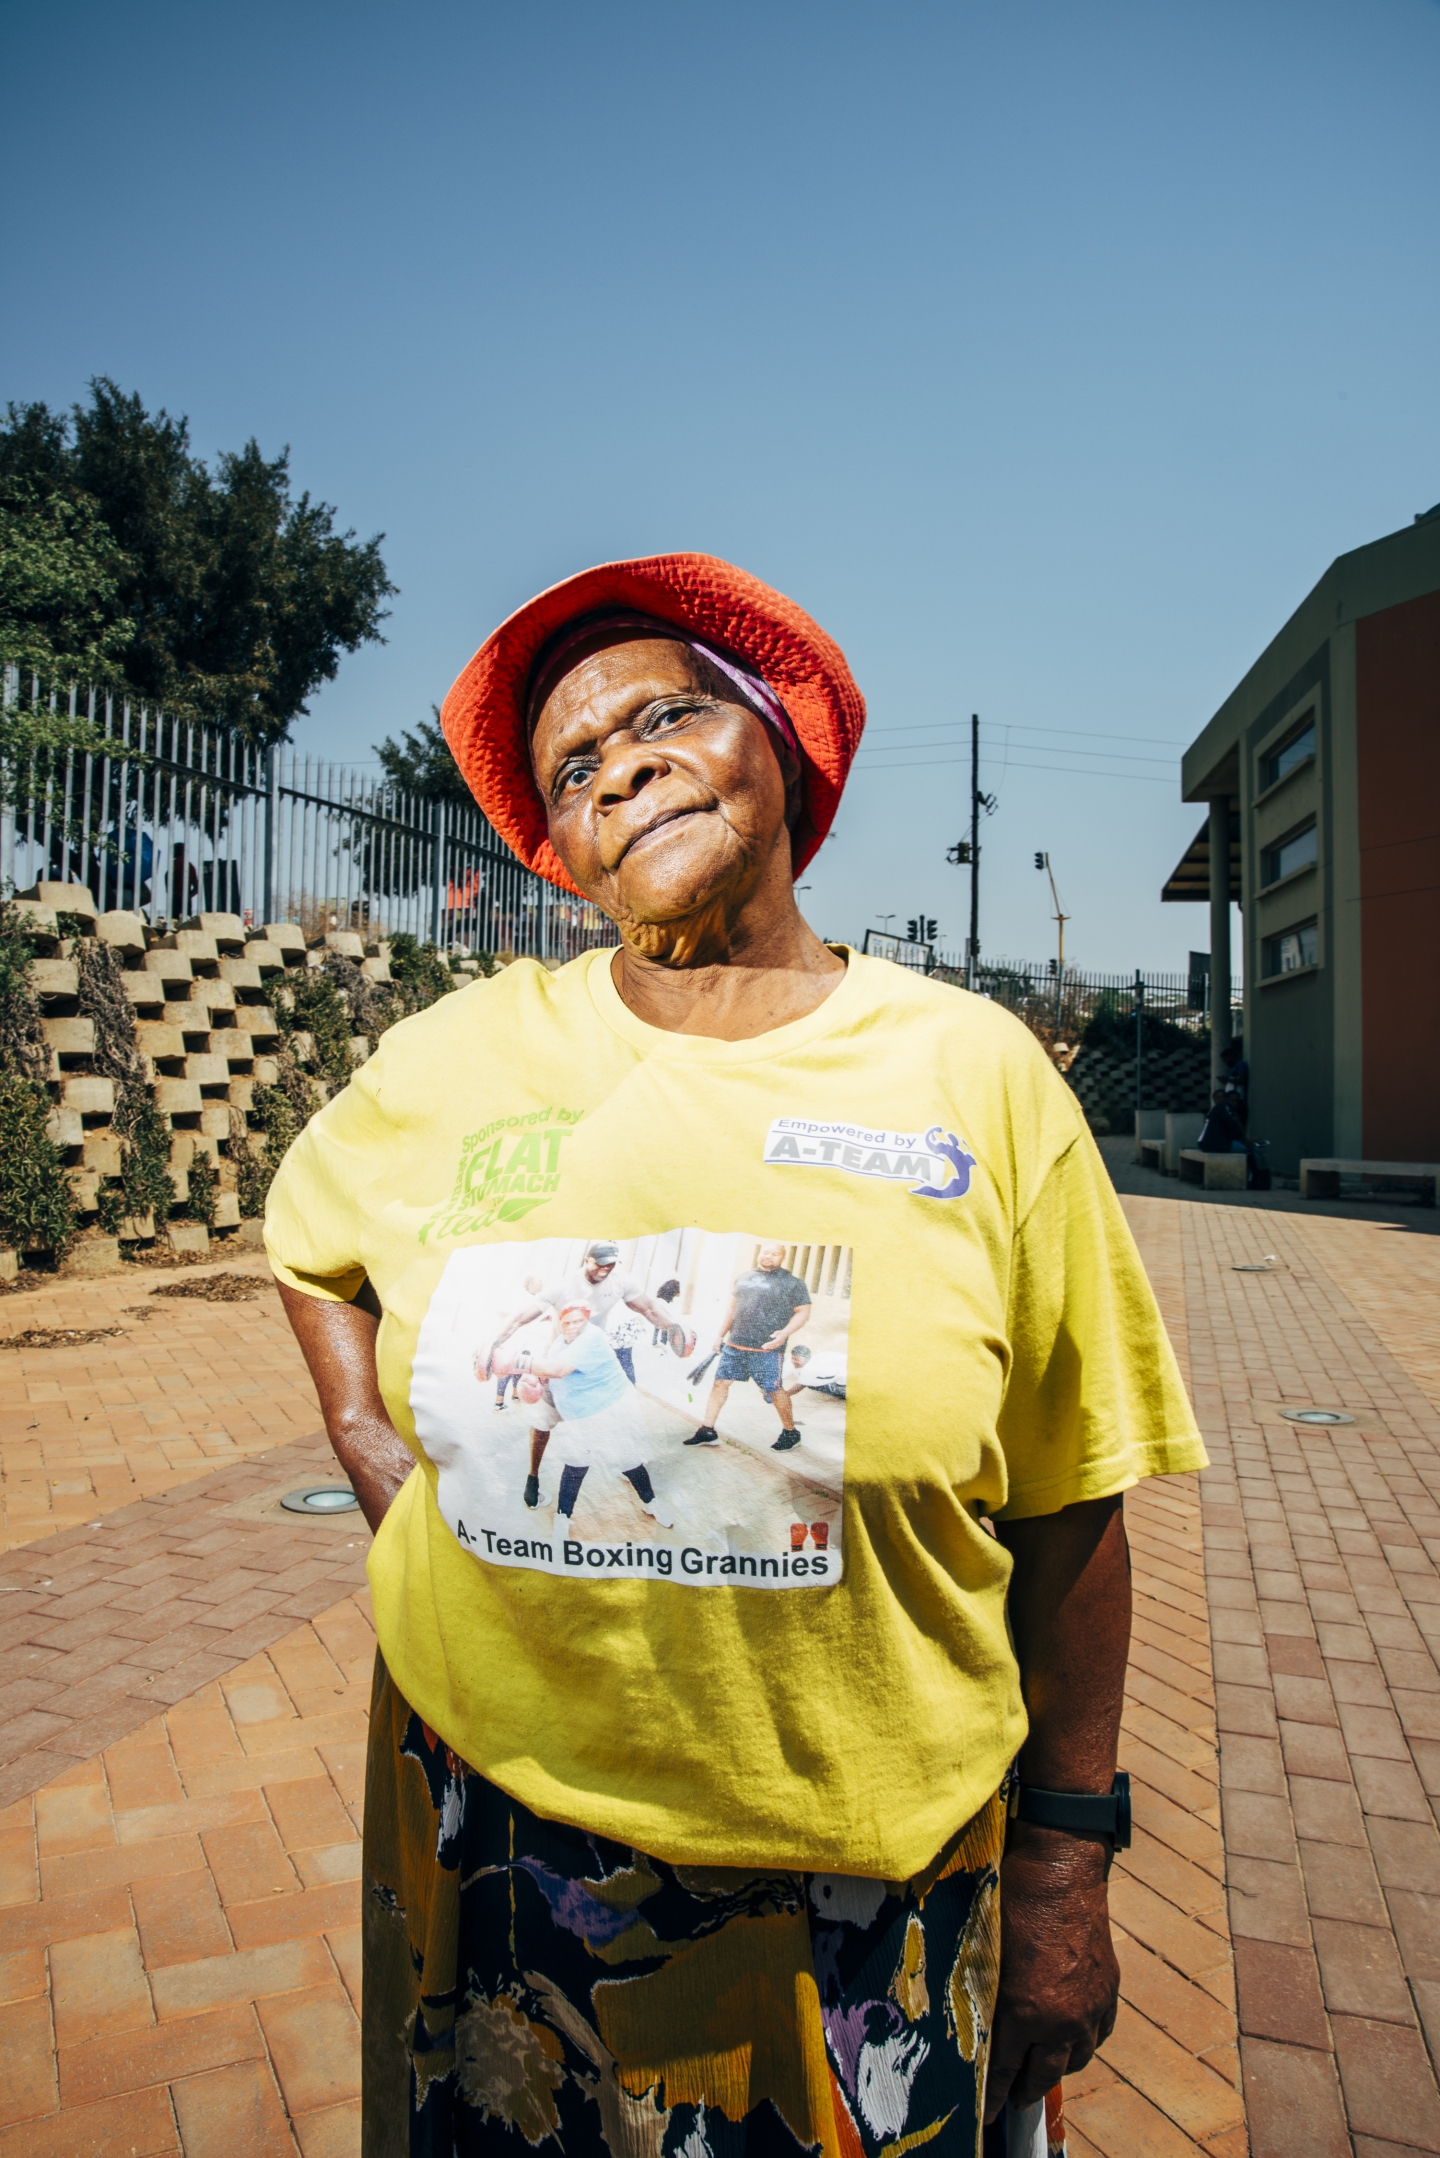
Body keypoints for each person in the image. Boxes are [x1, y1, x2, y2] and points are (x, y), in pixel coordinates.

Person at [266, 551, 1206, 2157]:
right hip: (496, 1839)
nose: (622, 762)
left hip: (858, 1887)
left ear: (780, 745)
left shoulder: (971, 1076)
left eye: (670, 714)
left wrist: (1067, 1859)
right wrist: (365, 1438)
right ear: (560, 851)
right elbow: (308, 1231)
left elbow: (1075, 1490)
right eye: (575, 766)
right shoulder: (463, 1056)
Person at [490, 1241, 676, 1504]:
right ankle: (533, 1477)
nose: (606, 1269)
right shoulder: (564, 1284)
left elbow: (649, 1308)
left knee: (613, 1428)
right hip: (557, 1366)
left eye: (611, 1264)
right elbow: (522, 1317)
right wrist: (494, 1342)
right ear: (587, 1260)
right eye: (600, 1263)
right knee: (543, 1424)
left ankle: (633, 1473)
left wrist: (676, 1328)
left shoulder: (620, 1282)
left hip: (589, 1369)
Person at [526, 1302, 669, 1524]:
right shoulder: (558, 1345)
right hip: (580, 1417)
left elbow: (559, 1369)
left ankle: (651, 1503)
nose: (572, 1326)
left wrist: (514, 1363)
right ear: (559, 1324)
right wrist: (535, 1380)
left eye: (578, 1321)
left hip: (607, 1411)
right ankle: (562, 1520)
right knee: (575, 1466)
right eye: (567, 1322)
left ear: (587, 1320)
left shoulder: (593, 1337)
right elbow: (552, 1372)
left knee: (628, 1461)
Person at [688, 1240, 813, 1451]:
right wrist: (720, 1336)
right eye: (766, 1252)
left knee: (773, 1389)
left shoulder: (793, 1283)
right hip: (735, 1346)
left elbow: (803, 1312)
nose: (769, 1256)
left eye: (775, 1254)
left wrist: (784, 1334)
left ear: (782, 1258)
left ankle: (791, 1432)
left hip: (767, 1349)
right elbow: (732, 1309)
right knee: (720, 1384)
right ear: (759, 1254)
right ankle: (707, 1430)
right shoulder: (743, 1278)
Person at [781, 1338, 848, 1402]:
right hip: (837, 1368)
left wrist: (784, 1395)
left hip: (848, 1373)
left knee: (844, 1393)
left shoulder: (811, 1368)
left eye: (797, 1359)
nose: (793, 1361)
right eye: (793, 1358)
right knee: (810, 1383)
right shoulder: (796, 1360)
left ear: (807, 1358)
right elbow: (780, 1373)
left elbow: (800, 1385)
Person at [1196, 1086, 1248, 1156]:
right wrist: (1245, 1141)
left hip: (1205, 1143)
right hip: (1212, 1144)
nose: (1221, 1099)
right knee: (1246, 1149)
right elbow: (1232, 1125)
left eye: (1223, 1097)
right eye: (1218, 1098)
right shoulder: (1220, 1107)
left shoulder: (1219, 1110)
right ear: (1214, 1100)